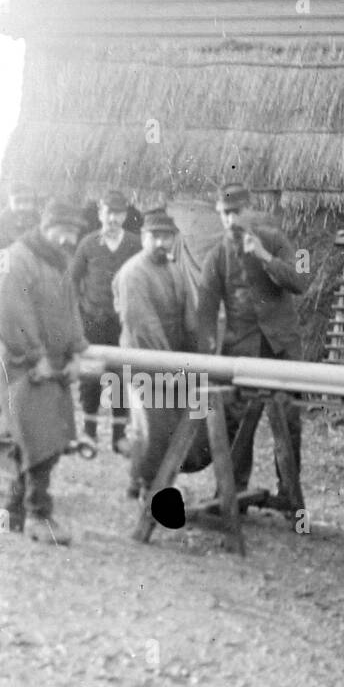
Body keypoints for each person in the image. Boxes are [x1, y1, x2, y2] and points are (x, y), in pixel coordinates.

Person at [195, 182, 306, 503]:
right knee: (236, 422)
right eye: (223, 214)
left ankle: (288, 495)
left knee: (288, 421)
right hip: (241, 350)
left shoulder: (276, 239)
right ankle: (232, 491)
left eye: (235, 213)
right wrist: (207, 358)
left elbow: (300, 281)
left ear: (249, 211)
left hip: (281, 350)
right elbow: (205, 311)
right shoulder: (216, 256)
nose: (230, 221)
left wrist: (264, 256)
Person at [0, 198, 89, 545]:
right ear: (46, 228)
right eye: (64, 230)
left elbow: (70, 310)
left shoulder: (60, 262)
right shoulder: (17, 258)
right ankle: (38, 516)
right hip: (20, 362)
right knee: (38, 438)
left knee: (37, 437)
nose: (70, 238)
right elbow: (10, 313)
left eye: (75, 232)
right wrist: (35, 357)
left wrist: (77, 351)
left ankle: (12, 511)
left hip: (54, 362)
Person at [113, 210, 210, 497]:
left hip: (171, 362)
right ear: (143, 237)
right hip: (143, 360)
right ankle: (147, 488)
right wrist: (174, 370)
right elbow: (144, 327)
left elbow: (189, 320)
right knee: (152, 428)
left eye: (166, 237)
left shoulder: (174, 270)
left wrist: (198, 359)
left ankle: (142, 481)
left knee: (172, 425)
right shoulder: (133, 273)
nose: (160, 243)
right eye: (154, 236)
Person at [68, 189, 142, 452]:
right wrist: (77, 314)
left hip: (122, 323)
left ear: (125, 215)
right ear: (100, 213)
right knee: (90, 377)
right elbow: (72, 281)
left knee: (121, 376)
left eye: (118, 213)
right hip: (93, 321)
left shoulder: (135, 244)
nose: (113, 219)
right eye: (108, 212)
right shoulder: (88, 244)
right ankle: (88, 433)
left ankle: (119, 436)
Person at [0, 182, 40, 247]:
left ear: (34, 202)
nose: (22, 207)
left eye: (27, 201)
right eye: (17, 201)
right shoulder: (2, 223)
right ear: (9, 202)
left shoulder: (39, 221)